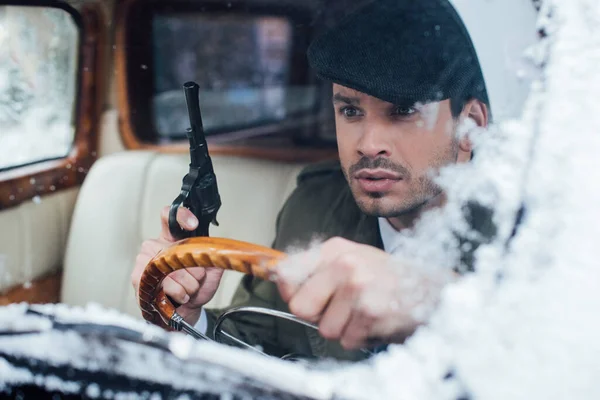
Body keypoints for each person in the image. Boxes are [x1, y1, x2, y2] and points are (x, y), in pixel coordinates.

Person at [131, 0, 494, 361]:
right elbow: (255, 349)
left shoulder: (523, 231)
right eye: (350, 111)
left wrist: (433, 301)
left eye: (403, 111)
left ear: (470, 127)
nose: (368, 145)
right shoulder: (314, 208)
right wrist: (187, 315)